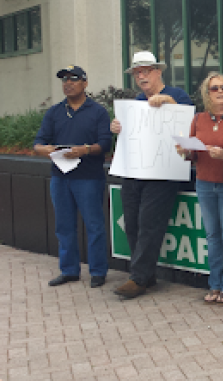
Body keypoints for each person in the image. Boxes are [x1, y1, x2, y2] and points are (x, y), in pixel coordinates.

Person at [110, 51, 194, 299]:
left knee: (149, 224)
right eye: (137, 73)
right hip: (135, 171)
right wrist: (117, 127)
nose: (141, 76)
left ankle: (138, 278)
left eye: (146, 71)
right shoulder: (136, 101)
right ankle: (146, 275)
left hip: (163, 173)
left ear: (158, 72)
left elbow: (190, 124)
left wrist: (170, 102)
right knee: (132, 224)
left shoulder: (177, 95)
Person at [33, 65, 112, 288]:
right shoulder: (54, 112)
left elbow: (105, 143)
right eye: (64, 80)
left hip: (88, 177)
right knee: (64, 226)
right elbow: (38, 142)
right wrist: (44, 149)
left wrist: (85, 150)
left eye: (74, 79)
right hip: (60, 177)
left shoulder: (98, 112)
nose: (68, 83)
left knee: (94, 225)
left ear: (85, 83)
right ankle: (69, 270)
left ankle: (98, 271)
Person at [176, 73, 223, 306]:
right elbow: (193, 154)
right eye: (214, 88)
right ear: (206, 93)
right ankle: (214, 283)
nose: (219, 92)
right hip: (204, 182)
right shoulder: (198, 119)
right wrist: (185, 151)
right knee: (212, 236)